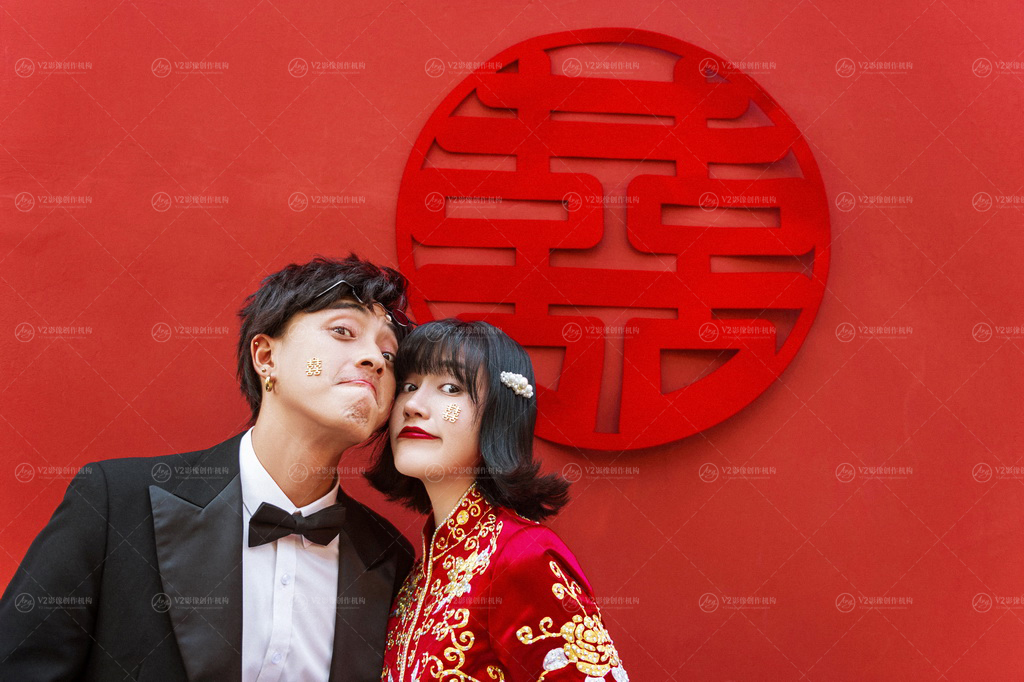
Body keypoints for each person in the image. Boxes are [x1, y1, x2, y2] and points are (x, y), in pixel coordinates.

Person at [0, 254, 416, 682]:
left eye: (389, 353)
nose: (375, 359)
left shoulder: (389, 559)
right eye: (343, 331)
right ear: (266, 356)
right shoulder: (115, 504)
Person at [366, 319, 630, 681]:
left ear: (499, 415)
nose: (413, 404)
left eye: (450, 388)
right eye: (409, 386)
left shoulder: (522, 556)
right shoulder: (417, 576)